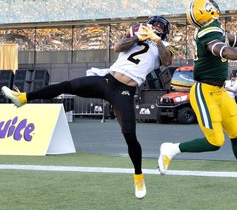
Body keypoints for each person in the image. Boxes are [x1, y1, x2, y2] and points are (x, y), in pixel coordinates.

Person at [2, 16, 174, 199]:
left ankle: (138, 175)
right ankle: (23, 98)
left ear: (164, 31)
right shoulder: (136, 34)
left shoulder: (164, 45)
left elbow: (168, 60)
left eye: (160, 26)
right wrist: (137, 37)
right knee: (68, 85)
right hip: (108, 80)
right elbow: (118, 47)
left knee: (129, 134)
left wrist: (156, 41)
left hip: (125, 90)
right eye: (154, 24)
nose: (156, 27)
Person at [157, 0, 237, 196]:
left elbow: (230, 40)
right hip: (205, 91)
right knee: (215, 141)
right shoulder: (206, 33)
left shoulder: (213, 27)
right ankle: (171, 149)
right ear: (208, 10)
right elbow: (220, 48)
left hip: (220, 91)